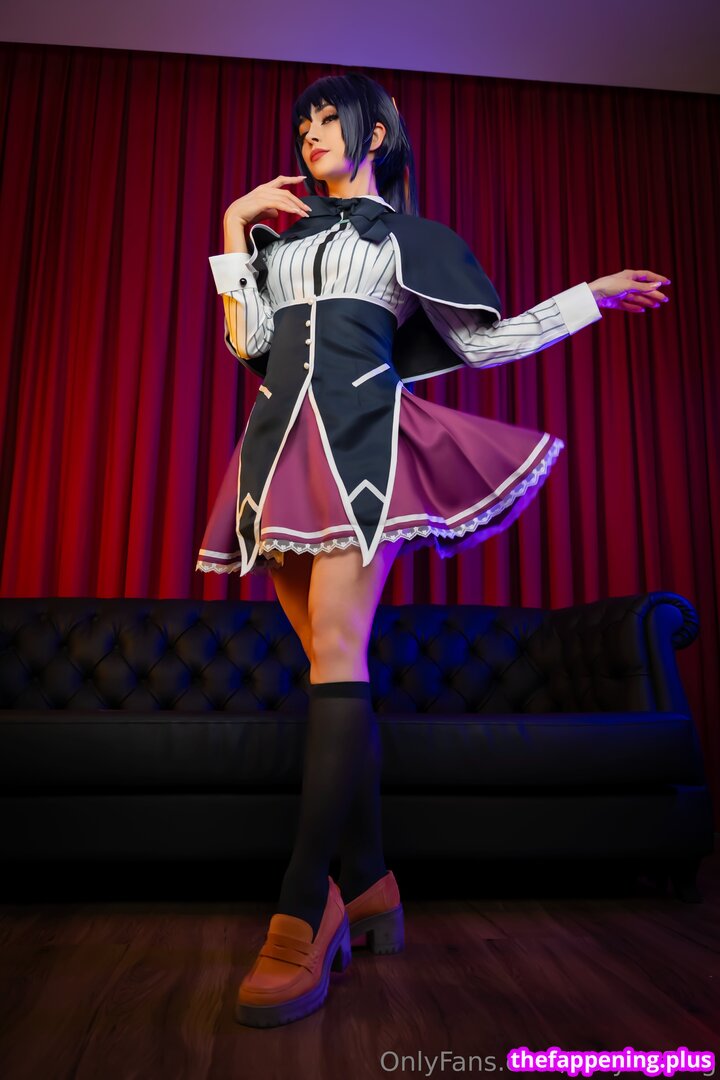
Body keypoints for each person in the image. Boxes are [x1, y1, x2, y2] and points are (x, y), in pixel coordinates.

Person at [196, 72, 671, 1028]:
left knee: (338, 654)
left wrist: (587, 297)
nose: (311, 133)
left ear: (374, 134)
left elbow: (484, 345)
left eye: (329, 119)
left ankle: (305, 908)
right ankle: (372, 879)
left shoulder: (407, 241)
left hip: (364, 449)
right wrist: (233, 227)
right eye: (303, 122)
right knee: (334, 668)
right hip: (275, 455)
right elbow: (250, 346)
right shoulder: (276, 239)